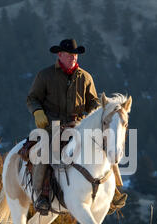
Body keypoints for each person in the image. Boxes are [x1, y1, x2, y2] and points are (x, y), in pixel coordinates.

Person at [26, 39, 127, 213]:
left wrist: (99, 109)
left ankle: (114, 192)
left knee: (106, 145)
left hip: (79, 126)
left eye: (75, 55)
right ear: (60, 55)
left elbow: (92, 102)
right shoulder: (45, 75)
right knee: (46, 151)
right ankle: (42, 195)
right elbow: (32, 98)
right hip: (52, 126)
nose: (73, 58)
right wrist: (37, 111)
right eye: (69, 55)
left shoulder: (85, 77)